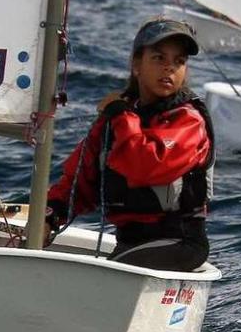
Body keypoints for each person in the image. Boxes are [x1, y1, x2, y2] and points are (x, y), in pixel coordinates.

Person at [44, 18, 214, 272]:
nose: (169, 68)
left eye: (179, 62)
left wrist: (121, 115)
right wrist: (51, 215)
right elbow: (79, 181)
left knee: (102, 277)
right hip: (131, 245)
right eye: (159, 58)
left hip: (179, 243)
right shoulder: (113, 122)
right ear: (136, 65)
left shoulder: (188, 121)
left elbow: (144, 166)